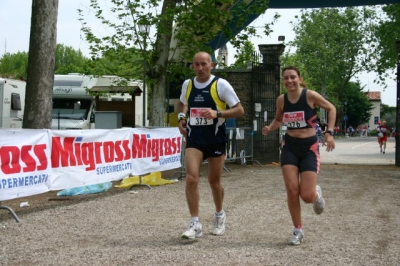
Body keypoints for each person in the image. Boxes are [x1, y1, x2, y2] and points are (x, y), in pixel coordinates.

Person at [262, 65, 336, 246]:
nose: (289, 81)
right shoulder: (281, 100)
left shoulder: (310, 96)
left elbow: (331, 109)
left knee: (307, 196)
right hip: (290, 147)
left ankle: (316, 193)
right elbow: (279, 119)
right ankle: (298, 229)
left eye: (293, 77)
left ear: (300, 79)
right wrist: (270, 127)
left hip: (309, 148)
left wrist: (329, 132)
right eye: (286, 78)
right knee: (292, 190)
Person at [177, 51, 245, 239]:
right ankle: (195, 223)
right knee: (191, 178)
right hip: (194, 139)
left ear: (211, 65)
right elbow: (182, 104)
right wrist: (181, 118)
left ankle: (219, 214)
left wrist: (218, 114)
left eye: (204, 64)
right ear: (192, 66)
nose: (200, 68)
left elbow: (239, 109)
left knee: (214, 182)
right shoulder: (188, 84)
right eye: (196, 64)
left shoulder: (220, 85)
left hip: (215, 139)